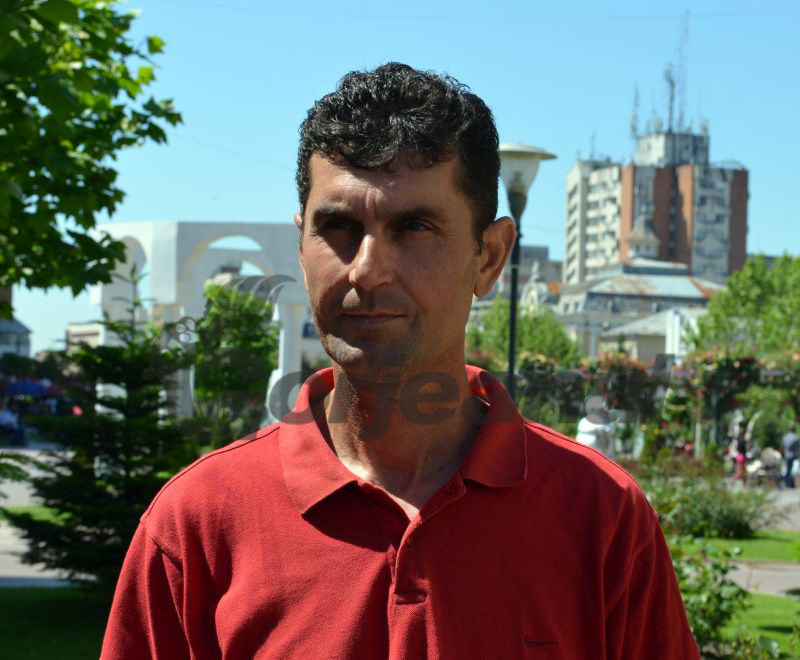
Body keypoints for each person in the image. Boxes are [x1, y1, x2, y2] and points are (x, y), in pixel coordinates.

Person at [101, 63, 698, 658]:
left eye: (413, 227)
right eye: (338, 226)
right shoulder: (199, 523)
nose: (366, 269)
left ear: (490, 257)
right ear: (301, 249)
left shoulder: (600, 517)